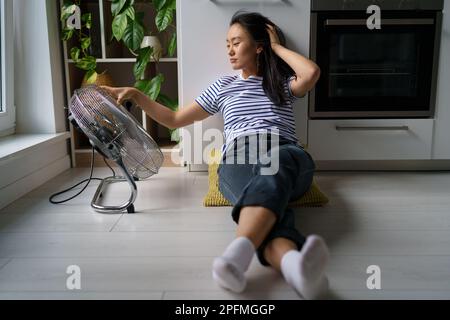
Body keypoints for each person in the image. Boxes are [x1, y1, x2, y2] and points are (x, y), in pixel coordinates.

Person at [102, 11, 330, 300]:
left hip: (284, 150)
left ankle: (236, 257)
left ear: (259, 46)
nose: (230, 50)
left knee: (276, 167)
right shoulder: (224, 86)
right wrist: (136, 94)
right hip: (240, 154)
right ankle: (295, 268)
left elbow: (311, 73)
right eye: (227, 44)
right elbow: (173, 119)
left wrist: (276, 46)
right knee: (272, 201)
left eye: (236, 42)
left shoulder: (283, 82)